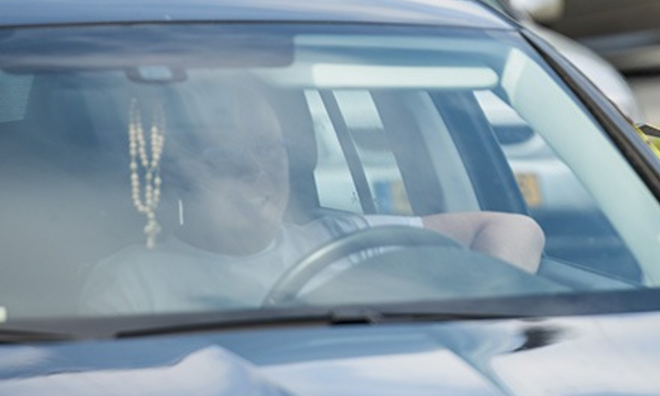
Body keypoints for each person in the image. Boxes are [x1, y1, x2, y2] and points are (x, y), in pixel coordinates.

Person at [80, 86, 544, 315]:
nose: (257, 172)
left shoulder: (346, 241)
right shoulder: (131, 283)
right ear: (183, 175)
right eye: (228, 158)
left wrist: (488, 317)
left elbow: (513, 229)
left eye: (267, 148)